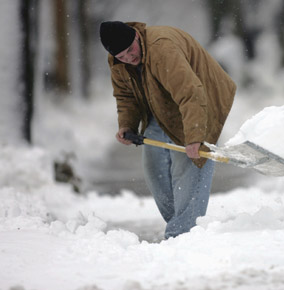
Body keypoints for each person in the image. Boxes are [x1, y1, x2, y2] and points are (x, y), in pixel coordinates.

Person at [99, 21, 236, 239]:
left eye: (130, 51)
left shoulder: (162, 49)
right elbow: (125, 96)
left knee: (189, 167)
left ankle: (182, 235)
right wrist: (127, 124)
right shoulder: (118, 61)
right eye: (122, 56)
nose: (129, 58)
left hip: (200, 99)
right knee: (154, 171)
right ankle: (183, 224)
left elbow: (190, 93)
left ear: (136, 37)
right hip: (161, 107)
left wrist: (195, 137)